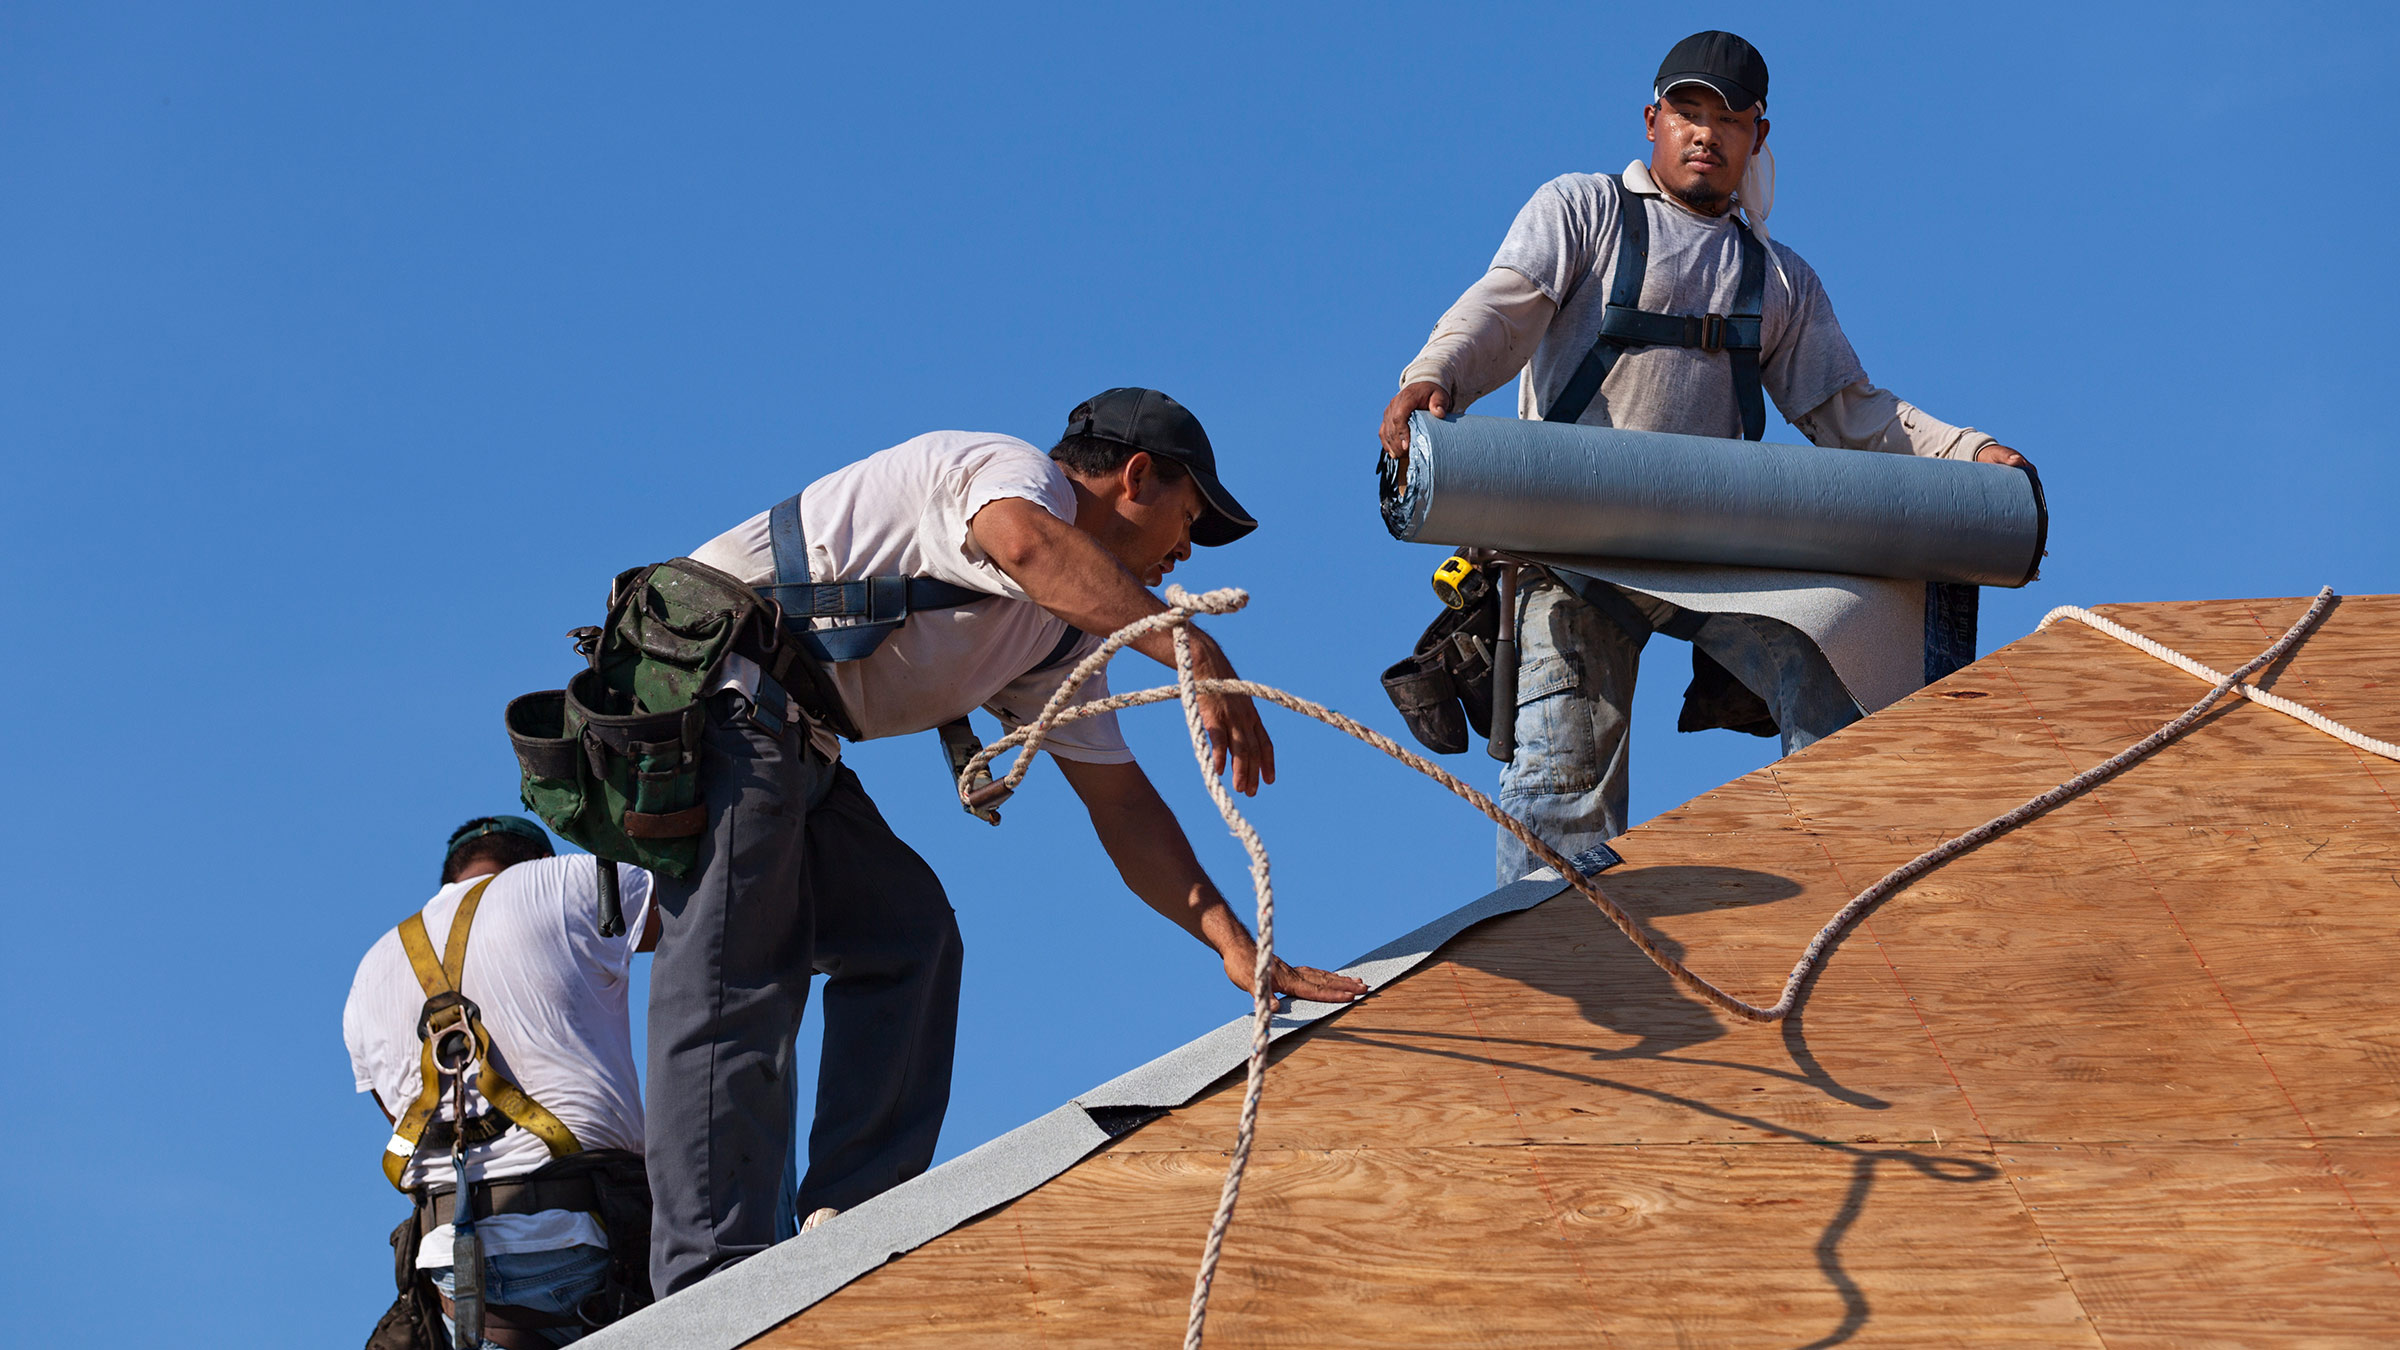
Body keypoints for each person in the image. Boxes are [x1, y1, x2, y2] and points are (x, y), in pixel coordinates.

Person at [645, 386, 1366, 1295]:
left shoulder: (1055, 634)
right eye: (1188, 520)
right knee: (732, 965)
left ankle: (851, 1225)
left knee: (908, 936)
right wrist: (1195, 649)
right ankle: (711, 1281)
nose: (1184, 552)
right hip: (718, 704)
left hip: (796, 743)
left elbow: (1122, 804)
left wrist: (1235, 945)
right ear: (1136, 475)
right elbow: (1025, 543)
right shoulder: (1007, 473)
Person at [1377, 30, 2037, 882]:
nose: (1705, 134)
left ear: (1758, 138)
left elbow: (1849, 410)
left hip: (1714, 558)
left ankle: (1858, 898)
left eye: (1729, 119)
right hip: (1573, 554)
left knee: (1838, 694)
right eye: (1688, 113)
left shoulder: (1775, 276)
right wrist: (1435, 377)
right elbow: (1501, 310)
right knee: (1560, 785)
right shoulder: (1584, 212)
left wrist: (1970, 453)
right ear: (1652, 120)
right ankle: (1557, 952)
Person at [345, 817, 659, 1348]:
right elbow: (696, 912)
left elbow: (403, 1121)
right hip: (589, 1241)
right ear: (538, 861)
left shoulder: (370, 972)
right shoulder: (564, 882)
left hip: (459, 1284)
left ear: (450, 880)